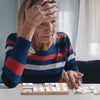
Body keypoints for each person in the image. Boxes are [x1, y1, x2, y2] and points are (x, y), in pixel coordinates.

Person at [1, 0, 83, 88]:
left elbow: (78, 78)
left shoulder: (63, 40)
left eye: (53, 21)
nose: (50, 29)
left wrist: (72, 77)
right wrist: (29, 25)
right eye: (42, 23)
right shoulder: (14, 40)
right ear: (27, 23)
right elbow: (10, 81)